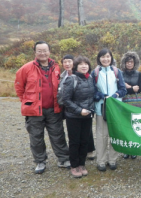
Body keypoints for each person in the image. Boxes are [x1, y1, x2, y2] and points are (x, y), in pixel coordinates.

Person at [14, 41, 69, 174]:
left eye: (45, 50)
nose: (42, 53)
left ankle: (63, 158)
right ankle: (40, 161)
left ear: (49, 51)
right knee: (36, 137)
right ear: (35, 52)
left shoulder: (56, 66)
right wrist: (26, 101)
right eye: (40, 51)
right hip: (34, 111)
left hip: (53, 108)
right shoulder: (26, 68)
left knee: (58, 135)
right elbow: (19, 86)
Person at [92, 48, 127, 172]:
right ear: (99, 59)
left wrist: (115, 95)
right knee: (101, 135)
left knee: (114, 133)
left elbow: (123, 89)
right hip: (101, 108)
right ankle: (101, 161)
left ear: (111, 58)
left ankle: (112, 159)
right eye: (102, 57)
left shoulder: (117, 72)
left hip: (115, 109)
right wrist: (101, 96)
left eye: (107, 56)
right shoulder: (95, 73)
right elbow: (93, 91)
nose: (105, 59)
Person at [63, 56, 95, 178]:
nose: (84, 66)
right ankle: (74, 165)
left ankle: (82, 164)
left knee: (85, 141)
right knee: (75, 142)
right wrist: (79, 110)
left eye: (86, 64)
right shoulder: (71, 79)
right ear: (76, 67)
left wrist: (90, 109)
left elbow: (91, 97)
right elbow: (65, 99)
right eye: (80, 64)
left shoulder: (90, 78)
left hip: (87, 116)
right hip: (74, 117)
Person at [120, 51, 141, 160]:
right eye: (127, 62)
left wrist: (128, 88)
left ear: (135, 63)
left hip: (136, 104)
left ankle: (134, 149)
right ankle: (126, 149)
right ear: (124, 63)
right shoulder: (120, 74)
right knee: (125, 126)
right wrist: (130, 88)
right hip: (124, 103)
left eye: (131, 62)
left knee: (135, 125)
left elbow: (140, 88)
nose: (129, 64)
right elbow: (120, 88)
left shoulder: (139, 74)